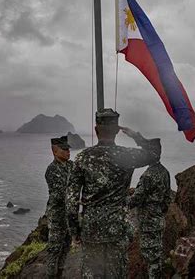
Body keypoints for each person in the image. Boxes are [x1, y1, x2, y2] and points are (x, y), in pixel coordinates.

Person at [66, 108, 160, 278]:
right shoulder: (126, 155)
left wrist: (75, 232)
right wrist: (136, 136)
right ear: (117, 130)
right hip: (117, 227)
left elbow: (71, 201)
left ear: (96, 130)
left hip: (91, 228)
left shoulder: (82, 158)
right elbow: (154, 154)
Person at [128, 138, 171, 279]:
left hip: (148, 222)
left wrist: (119, 201)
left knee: (150, 256)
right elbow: (167, 198)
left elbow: (136, 199)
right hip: (158, 218)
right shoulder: (164, 171)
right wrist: (159, 212)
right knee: (156, 254)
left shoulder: (148, 175)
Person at [45, 136, 73, 279]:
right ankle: (51, 276)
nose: (68, 152)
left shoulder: (70, 166)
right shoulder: (52, 170)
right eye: (65, 149)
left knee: (66, 245)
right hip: (57, 215)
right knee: (54, 249)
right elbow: (60, 194)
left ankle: (60, 273)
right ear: (55, 151)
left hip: (68, 214)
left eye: (69, 149)